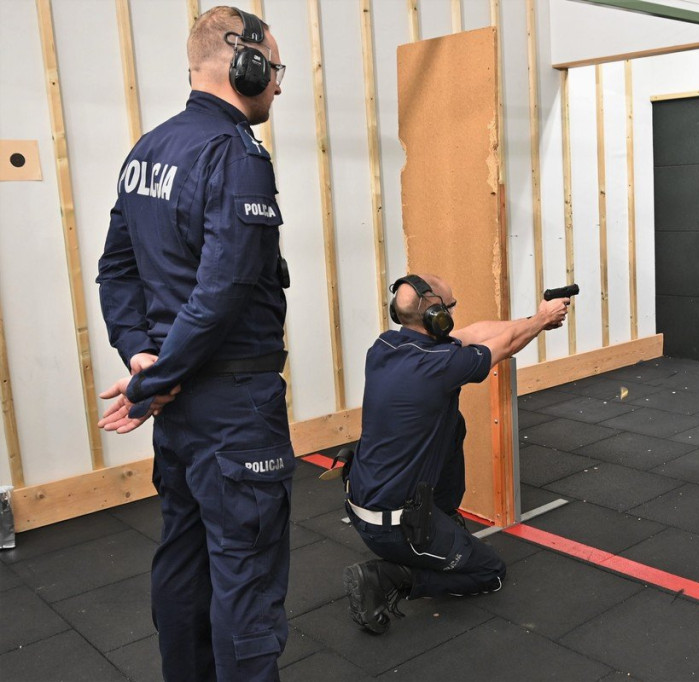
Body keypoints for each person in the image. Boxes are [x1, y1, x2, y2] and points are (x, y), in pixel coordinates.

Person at [95, 7, 291, 681]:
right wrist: (153, 378)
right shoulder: (235, 153)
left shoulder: (147, 150)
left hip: (180, 404)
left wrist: (141, 356)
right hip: (233, 406)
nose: (278, 85)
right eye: (275, 68)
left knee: (184, 556)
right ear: (247, 64)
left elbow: (116, 269)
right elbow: (223, 290)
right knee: (246, 577)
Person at [343, 273, 570, 634]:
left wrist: (535, 317)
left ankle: (442, 520)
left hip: (364, 506)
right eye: (450, 307)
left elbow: (476, 333)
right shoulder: (441, 365)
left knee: (452, 422)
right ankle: (390, 576)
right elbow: (506, 345)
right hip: (395, 528)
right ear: (436, 316)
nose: (453, 314)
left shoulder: (384, 347)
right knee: (490, 572)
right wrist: (542, 321)